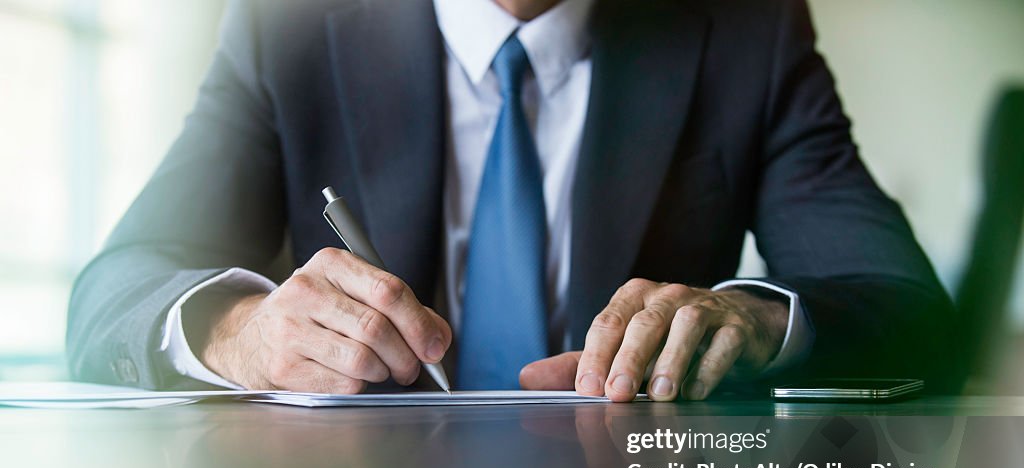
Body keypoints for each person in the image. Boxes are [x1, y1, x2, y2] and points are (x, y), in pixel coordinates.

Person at [67, 0, 956, 402]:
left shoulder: (748, 30)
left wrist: (751, 320)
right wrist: (241, 333)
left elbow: (908, 311)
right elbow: (112, 293)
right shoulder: (287, 25)